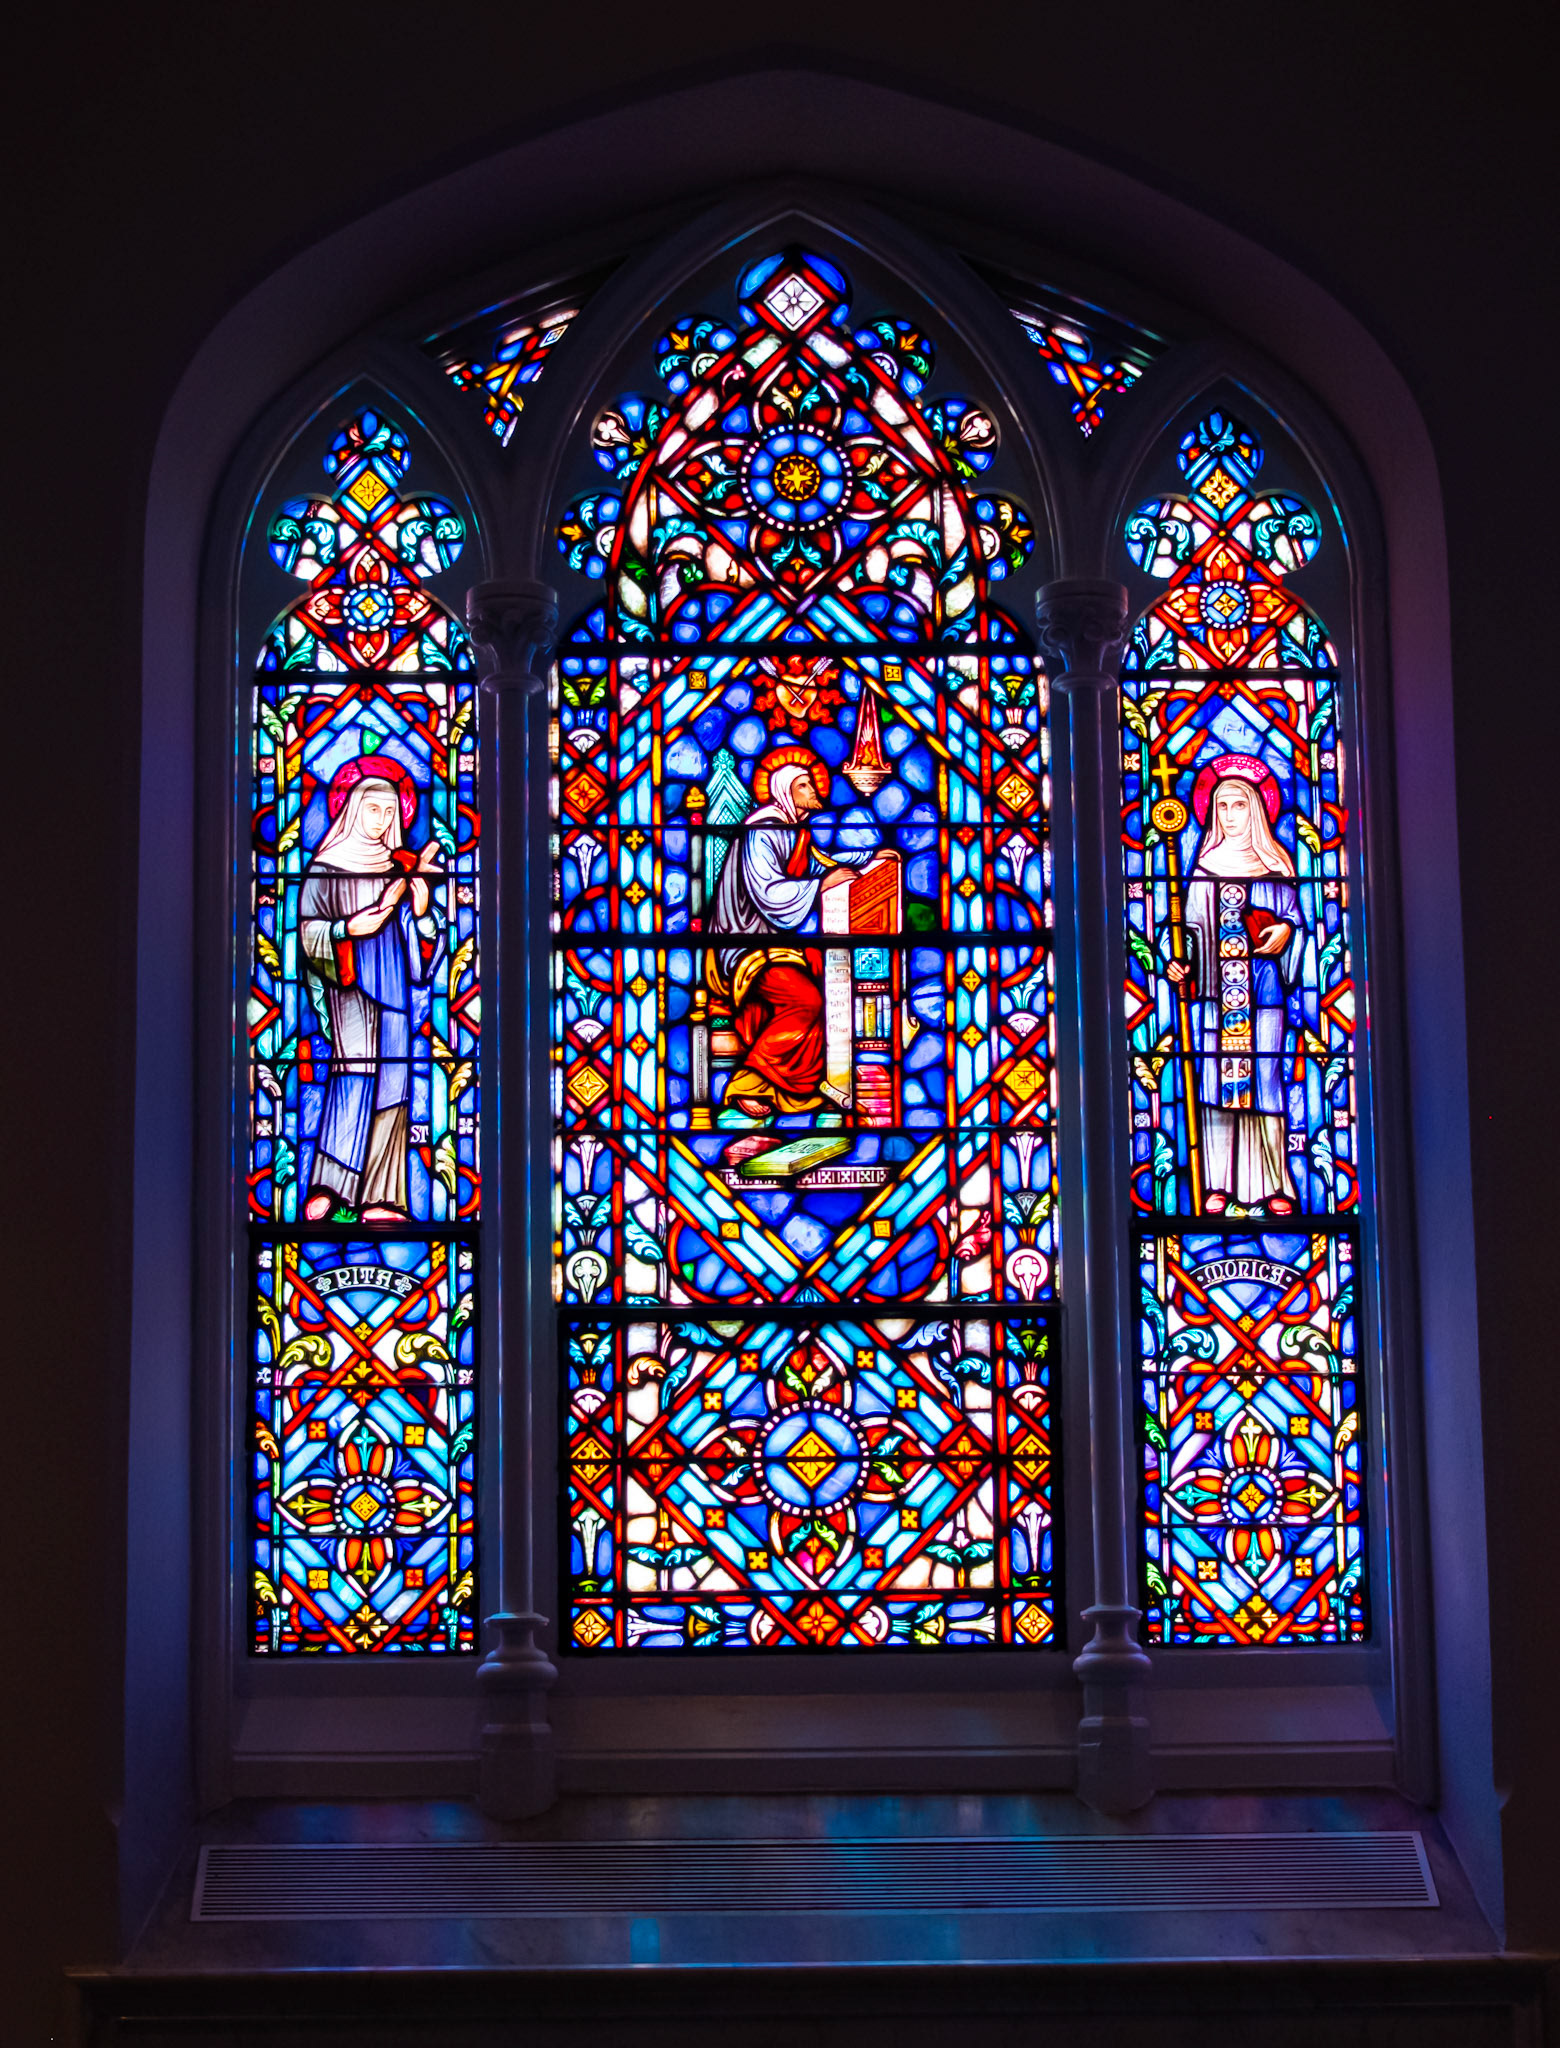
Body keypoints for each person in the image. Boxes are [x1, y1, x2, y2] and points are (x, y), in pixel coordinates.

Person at [299, 755, 445, 1221]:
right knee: (354, 1074)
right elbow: (306, 933)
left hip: (393, 986)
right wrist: (346, 928)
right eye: (372, 809)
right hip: (350, 986)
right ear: (352, 809)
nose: (381, 820)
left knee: (393, 1083)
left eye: (389, 811)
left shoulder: (401, 867)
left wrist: (420, 910)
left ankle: (382, 1196)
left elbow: (424, 945)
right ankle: (330, 1185)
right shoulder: (325, 868)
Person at [1166, 755, 1302, 1215]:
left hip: (1263, 995)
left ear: (1257, 810)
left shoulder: (1276, 866)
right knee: (1212, 1084)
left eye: (1238, 805)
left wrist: (1286, 932)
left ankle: (1274, 1183)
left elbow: (1296, 923)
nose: (1228, 815)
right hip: (1211, 998)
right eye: (1221, 806)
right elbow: (1184, 930)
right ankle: (1217, 1183)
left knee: (1264, 1081)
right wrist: (1177, 963)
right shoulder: (1203, 867)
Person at [708, 748, 872, 1120]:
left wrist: (869, 861)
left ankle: (799, 1090)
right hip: (744, 944)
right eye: (804, 785)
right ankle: (747, 1082)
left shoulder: (793, 830)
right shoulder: (764, 831)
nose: (814, 790)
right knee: (808, 1000)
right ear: (784, 791)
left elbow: (821, 865)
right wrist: (820, 885)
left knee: (827, 986)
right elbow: (769, 893)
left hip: (775, 945)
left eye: (811, 783)